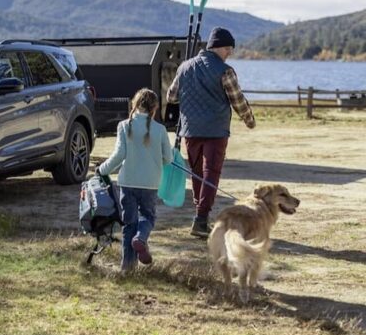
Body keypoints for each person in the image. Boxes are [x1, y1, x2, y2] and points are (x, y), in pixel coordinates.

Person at [166, 27, 256, 239]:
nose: (230, 54)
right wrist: (249, 120)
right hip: (216, 130)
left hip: (191, 129)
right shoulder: (225, 71)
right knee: (211, 173)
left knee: (198, 174)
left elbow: (171, 96)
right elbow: (237, 100)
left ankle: (201, 217)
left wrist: (192, 92)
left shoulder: (184, 67)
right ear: (220, 48)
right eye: (229, 49)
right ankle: (201, 219)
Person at [97, 88, 173, 270]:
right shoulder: (160, 129)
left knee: (128, 224)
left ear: (134, 104)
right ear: (154, 108)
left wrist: (102, 169)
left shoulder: (124, 126)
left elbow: (118, 155)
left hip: (127, 182)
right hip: (150, 183)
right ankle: (141, 238)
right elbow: (168, 158)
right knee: (148, 216)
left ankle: (127, 267)